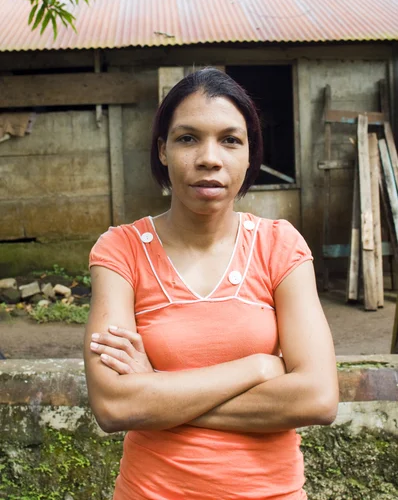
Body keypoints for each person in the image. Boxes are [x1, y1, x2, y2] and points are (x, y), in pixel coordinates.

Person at [84, 68, 339, 500]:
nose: (209, 158)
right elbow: (115, 406)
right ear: (162, 150)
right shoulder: (121, 251)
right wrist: (258, 368)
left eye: (229, 140)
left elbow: (317, 397)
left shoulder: (280, 245)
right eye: (187, 138)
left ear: (249, 153)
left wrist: (158, 391)